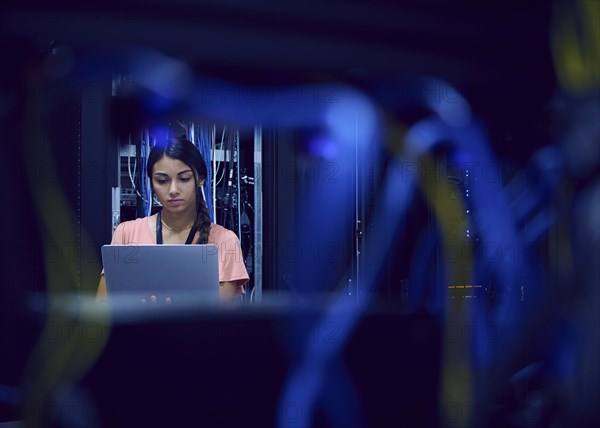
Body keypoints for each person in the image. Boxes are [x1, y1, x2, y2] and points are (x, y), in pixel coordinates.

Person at [97, 135, 249, 303]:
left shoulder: (225, 241)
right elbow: (101, 309)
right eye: (162, 181)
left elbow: (219, 320)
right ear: (152, 184)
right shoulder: (126, 233)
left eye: (184, 179)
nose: (173, 190)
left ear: (201, 179)